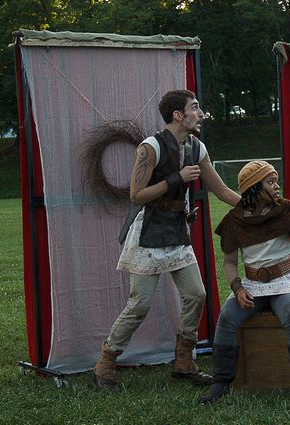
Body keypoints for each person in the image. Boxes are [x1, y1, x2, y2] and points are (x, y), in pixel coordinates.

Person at [93, 89, 240, 389]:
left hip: (176, 232)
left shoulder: (197, 147)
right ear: (178, 115)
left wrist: (257, 205)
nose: (200, 114)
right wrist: (176, 179)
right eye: (195, 107)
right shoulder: (150, 148)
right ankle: (105, 364)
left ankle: (184, 362)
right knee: (140, 304)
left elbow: (222, 190)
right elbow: (136, 195)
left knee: (196, 295)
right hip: (147, 231)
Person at [200, 160, 290, 404]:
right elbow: (228, 262)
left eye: (276, 180)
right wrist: (237, 289)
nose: (277, 186)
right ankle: (219, 384)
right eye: (270, 182)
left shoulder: (285, 209)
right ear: (254, 188)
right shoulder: (235, 220)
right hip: (251, 285)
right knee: (226, 318)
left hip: (284, 282)